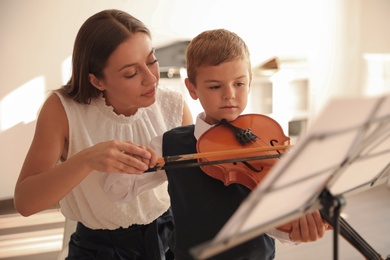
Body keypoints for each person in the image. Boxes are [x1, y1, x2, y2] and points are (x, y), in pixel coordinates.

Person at [14, 9, 192, 260]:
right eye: (131, 73)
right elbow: (25, 203)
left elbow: (192, 185)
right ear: (97, 81)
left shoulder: (172, 104)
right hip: (99, 249)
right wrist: (86, 160)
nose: (151, 78)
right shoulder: (63, 109)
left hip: (171, 238)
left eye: (152, 60)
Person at [153, 29, 329, 259]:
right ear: (192, 88)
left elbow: (273, 221)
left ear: (250, 82)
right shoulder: (169, 144)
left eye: (239, 84)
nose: (229, 95)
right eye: (215, 86)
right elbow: (120, 190)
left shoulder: (267, 138)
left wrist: (295, 231)